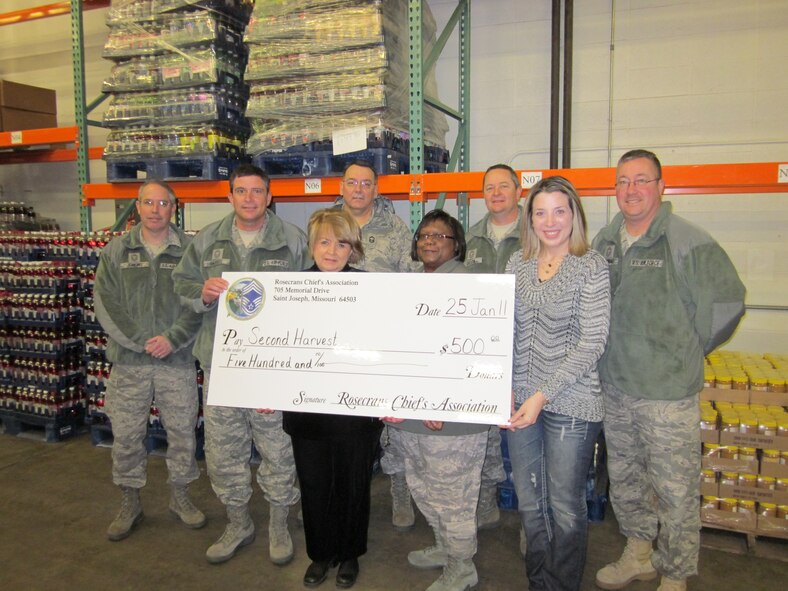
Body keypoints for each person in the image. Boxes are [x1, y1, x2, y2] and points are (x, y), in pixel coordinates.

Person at [592, 150, 745, 591]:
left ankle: (675, 572)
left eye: (642, 180)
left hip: (667, 395)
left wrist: (689, 348)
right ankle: (639, 554)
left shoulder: (686, 240)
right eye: (623, 181)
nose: (631, 190)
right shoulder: (606, 239)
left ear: (661, 187)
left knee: (676, 490)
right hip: (616, 388)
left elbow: (728, 304)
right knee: (626, 481)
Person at [172, 164, 307, 566]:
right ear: (229, 196)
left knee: (277, 446)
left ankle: (280, 519)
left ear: (269, 197)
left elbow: (313, 295)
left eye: (257, 191)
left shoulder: (292, 241)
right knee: (223, 448)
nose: (249, 198)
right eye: (241, 191)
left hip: (271, 366)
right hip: (221, 363)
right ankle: (238, 520)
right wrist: (203, 292)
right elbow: (180, 284)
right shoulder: (208, 240)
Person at [503, 176, 610, 591]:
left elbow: (592, 342)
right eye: (541, 212)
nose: (551, 222)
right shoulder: (517, 265)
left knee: (565, 507)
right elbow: (504, 331)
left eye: (560, 211)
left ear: (574, 215)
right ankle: (538, 583)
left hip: (573, 405)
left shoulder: (591, 266)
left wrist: (541, 394)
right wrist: (503, 386)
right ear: (529, 218)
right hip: (521, 402)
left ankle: (561, 586)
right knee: (530, 503)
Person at [94, 180, 204, 541]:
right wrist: (142, 341)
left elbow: (200, 304)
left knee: (182, 433)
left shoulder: (191, 251)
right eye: (149, 202)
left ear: (175, 207)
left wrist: (171, 339)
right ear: (137, 206)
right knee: (126, 435)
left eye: (164, 203)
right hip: (130, 362)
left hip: (177, 360)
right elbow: (107, 304)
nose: (157, 210)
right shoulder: (116, 252)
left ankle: (181, 497)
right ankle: (129, 501)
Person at [386, 209, 488, 591]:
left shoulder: (468, 285)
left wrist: (442, 399)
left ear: (456, 244)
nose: (429, 241)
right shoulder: (408, 283)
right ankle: (446, 546)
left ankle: (462, 566)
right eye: (423, 235)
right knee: (424, 486)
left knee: (453, 494)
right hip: (411, 414)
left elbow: (472, 352)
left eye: (439, 236)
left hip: (451, 417)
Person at [282, 208, 383, 589]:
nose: (332, 250)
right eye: (324, 241)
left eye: (341, 242)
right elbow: (273, 347)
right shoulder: (289, 290)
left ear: (352, 248)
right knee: (314, 484)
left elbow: (384, 347)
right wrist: (262, 387)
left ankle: (350, 553)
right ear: (312, 246)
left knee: (354, 485)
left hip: (356, 412)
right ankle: (321, 554)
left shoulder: (369, 289)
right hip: (307, 411)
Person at [334, 159, 418, 531]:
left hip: (385, 341)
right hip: (339, 341)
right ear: (341, 186)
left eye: (366, 183)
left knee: (394, 420)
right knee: (342, 421)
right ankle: (337, 492)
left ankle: (400, 490)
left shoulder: (396, 229)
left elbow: (412, 278)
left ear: (376, 189)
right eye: (352, 182)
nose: (358, 189)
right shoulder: (326, 223)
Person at [465, 164, 523, 533]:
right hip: (481, 356)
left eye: (504, 186)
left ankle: (529, 525)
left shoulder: (537, 236)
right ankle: (485, 506)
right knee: (482, 437)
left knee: (525, 441)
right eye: (489, 187)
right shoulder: (469, 239)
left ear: (519, 191)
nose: (497, 193)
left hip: (526, 356)